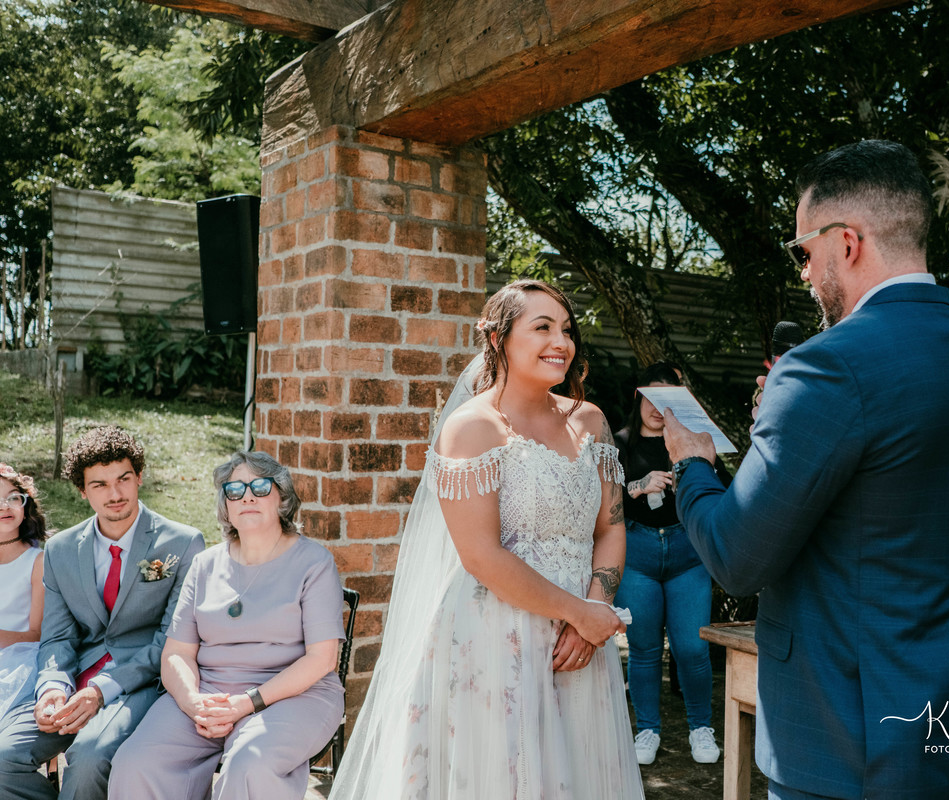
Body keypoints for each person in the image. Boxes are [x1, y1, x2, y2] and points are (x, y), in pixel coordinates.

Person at [662, 140, 949, 800]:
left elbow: (737, 557)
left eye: (803, 252)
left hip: (845, 748)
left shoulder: (827, 365)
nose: (804, 273)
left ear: (848, 242)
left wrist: (693, 466)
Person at [329, 279, 644, 799]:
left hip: (579, 641)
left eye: (566, 330)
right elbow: (481, 555)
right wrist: (581, 614)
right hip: (497, 636)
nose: (560, 342)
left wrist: (594, 613)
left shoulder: (590, 421)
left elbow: (610, 527)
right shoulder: (472, 428)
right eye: (542, 327)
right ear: (498, 339)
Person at [109, 450, 345, 800]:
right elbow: (176, 654)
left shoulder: (314, 563)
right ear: (226, 505)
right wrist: (192, 702)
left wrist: (246, 704)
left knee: (249, 765)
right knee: (135, 763)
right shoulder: (204, 565)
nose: (247, 497)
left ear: (282, 498)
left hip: (293, 695)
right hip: (209, 694)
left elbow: (322, 659)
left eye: (260, 487)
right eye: (235, 490)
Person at [0, 426, 205, 800]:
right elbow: (57, 636)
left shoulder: (182, 542)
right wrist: (52, 687)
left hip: (139, 681)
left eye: (123, 479)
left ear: (139, 477)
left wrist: (100, 690)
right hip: (74, 679)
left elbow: (171, 639)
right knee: (3, 758)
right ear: (82, 491)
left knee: (89, 758)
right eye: (99, 485)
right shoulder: (62, 549)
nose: (115, 494)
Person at [613, 362, 730, 766]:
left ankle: (701, 728)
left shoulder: (692, 443)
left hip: (687, 554)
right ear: (638, 396)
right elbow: (600, 499)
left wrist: (695, 481)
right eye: (652, 397)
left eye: (669, 400)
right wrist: (639, 486)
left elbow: (725, 492)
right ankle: (647, 730)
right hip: (637, 555)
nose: (658, 408)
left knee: (693, 649)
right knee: (643, 649)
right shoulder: (619, 443)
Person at [0, 464, 47, 720]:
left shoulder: (37, 562)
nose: (4, 506)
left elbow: (36, 634)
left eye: (13, 498)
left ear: (24, 504)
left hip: (15, 661)